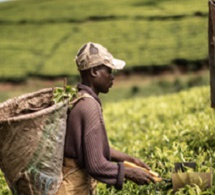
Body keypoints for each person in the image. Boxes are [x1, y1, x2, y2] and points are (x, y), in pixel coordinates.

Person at [57, 42, 155, 195]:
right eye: (109, 71)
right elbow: (96, 165)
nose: (112, 77)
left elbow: (92, 147)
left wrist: (131, 160)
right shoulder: (89, 106)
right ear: (95, 71)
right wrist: (129, 173)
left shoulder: (77, 98)